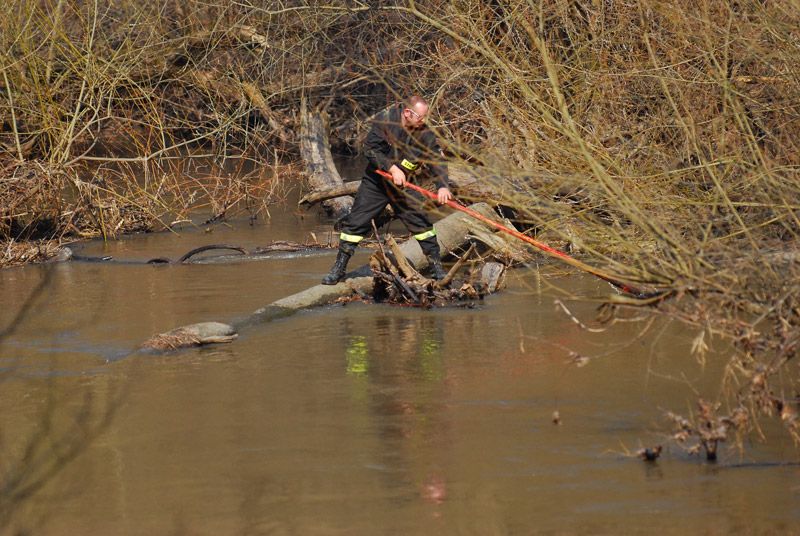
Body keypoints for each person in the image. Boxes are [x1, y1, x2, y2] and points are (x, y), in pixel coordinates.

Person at [321, 95, 453, 285]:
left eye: (426, 117)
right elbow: (371, 150)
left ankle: (436, 269)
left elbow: (436, 161)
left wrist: (442, 186)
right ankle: (339, 269)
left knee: (423, 226)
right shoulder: (385, 121)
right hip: (377, 182)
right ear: (407, 113)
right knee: (355, 224)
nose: (423, 121)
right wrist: (392, 168)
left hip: (406, 186)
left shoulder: (425, 134)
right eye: (420, 117)